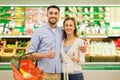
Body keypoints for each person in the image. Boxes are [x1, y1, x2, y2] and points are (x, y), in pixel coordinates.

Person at [28, 5, 63, 80]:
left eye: (56, 13)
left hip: (58, 73)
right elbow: (31, 54)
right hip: (43, 73)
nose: (53, 15)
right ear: (46, 15)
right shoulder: (38, 31)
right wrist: (46, 55)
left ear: (59, 15)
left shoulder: (62, 32)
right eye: (51, 13)